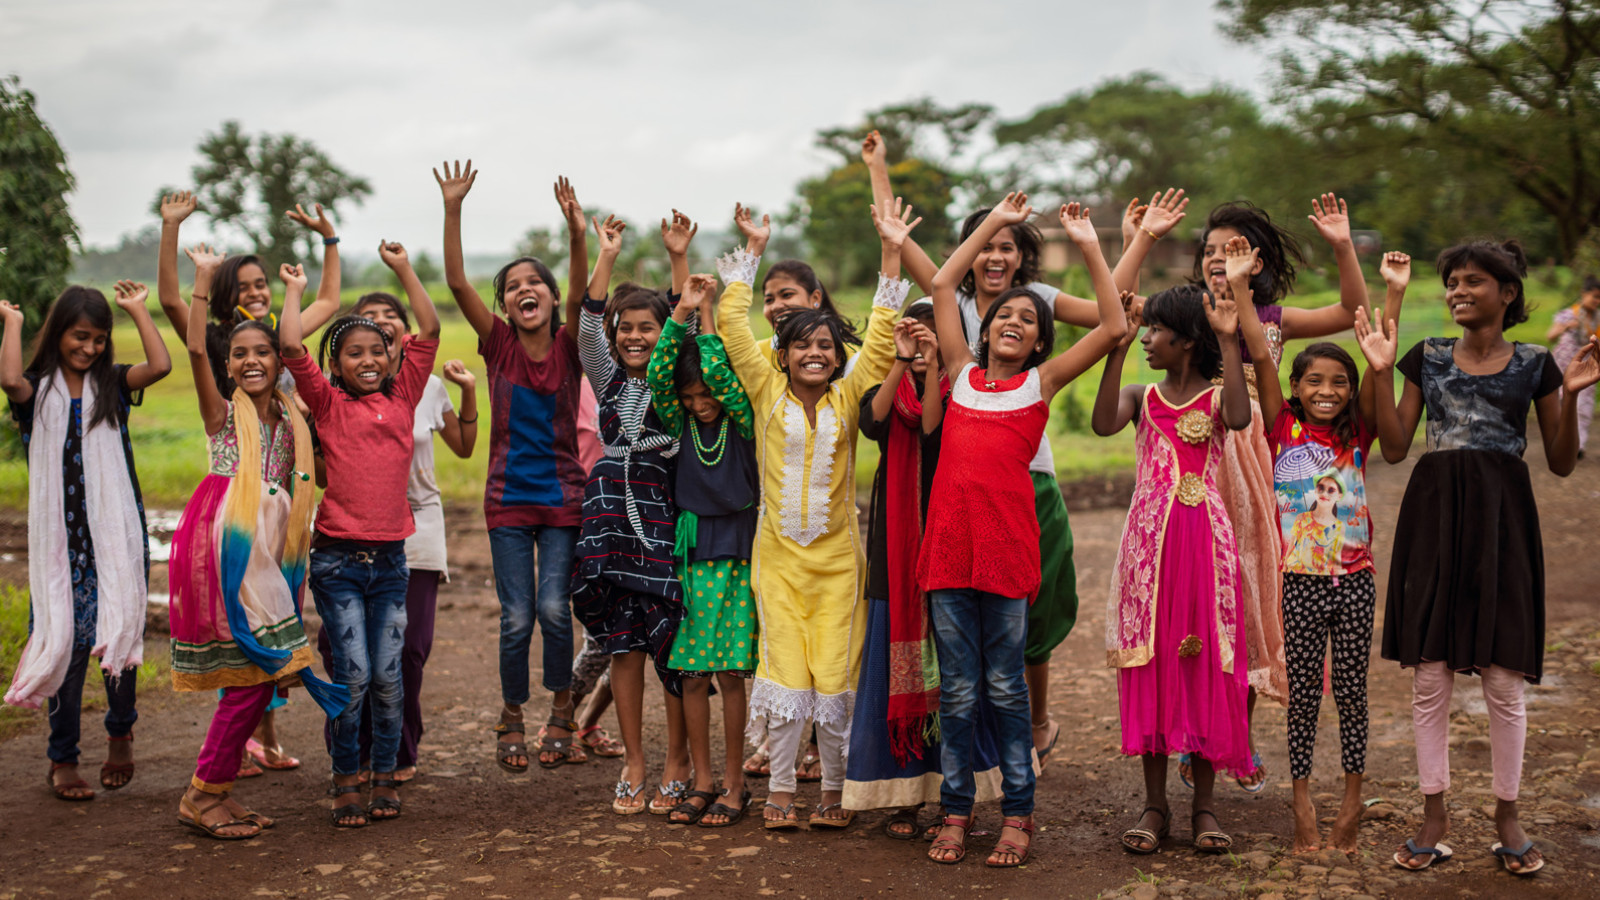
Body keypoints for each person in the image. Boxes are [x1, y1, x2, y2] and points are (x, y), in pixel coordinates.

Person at [862, 131, 1184, 764]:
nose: (995, 255)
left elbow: (1109, 317)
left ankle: (1028, 733)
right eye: (986, 244)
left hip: (1022, 475)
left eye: (1007, 245)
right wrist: (880, 169)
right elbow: (911, 251)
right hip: (951, 482)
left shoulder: (1037, 319)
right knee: (958, 630)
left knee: (1024, 615)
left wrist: (1126, 242)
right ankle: (967, 760)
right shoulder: (956, 330)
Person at [920, 196, 1129, 868]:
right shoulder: (961, 376)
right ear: (984, 332)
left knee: (1007, 689)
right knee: (957, 691)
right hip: (948, 556)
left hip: (1007, 557)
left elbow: (1114, 323)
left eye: (1028, 319)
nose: (1013, 320)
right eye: (1004, 315)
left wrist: (1088, 242)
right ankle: (956, 811)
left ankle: (1017, 813)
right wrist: (990, 224)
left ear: (1041, 343)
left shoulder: (1040, 385)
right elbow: (943, 284)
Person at [1380, 240, 1596, 876]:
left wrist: (1572, 395)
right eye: (1452, 281)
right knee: (1430, 675)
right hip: (1435, 519)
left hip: (1504, 522)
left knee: (1504, 678)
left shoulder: (1536, 365)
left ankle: (1508, 815)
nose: (1458, 290)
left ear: (1507, 293)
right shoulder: (1427, 357)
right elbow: (1394, 446)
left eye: (1472, 280)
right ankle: (1434, 815)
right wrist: (1378, 371)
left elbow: (1561, 462)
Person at [717, 197, 910, 832]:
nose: (815, 354)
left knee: (833, 675)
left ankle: (832, 790)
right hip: (776, 562)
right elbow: (732, 326)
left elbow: (880, 336)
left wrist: (891, 250)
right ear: (784, 353)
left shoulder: (850, 395)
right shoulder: (764, 387)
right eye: (802, 345)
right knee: (783, 672)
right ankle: (779, 790)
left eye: (826, 345)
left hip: (837, 566)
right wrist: (753, 249)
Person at [1181, 195, 1371, 791]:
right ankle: (1195, 734)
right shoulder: (1188, 313)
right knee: (1199, 602)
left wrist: (1342, 244)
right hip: (1197, 459)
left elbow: (1351, 310)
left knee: (1252, 596)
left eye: (1232, 249)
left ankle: (1236, 735)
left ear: (1257, 261)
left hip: (1260, 469)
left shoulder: (1272, 319)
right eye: (1210, 250)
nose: (1218, 258)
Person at [1233, 236, 1411, 853]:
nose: (1327, 390)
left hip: (1356, 582)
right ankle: (1302, 799)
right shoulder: (1281, 425)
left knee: (1354, 695)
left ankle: (1353, 801)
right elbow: (1259, 352)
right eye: (1314, 381)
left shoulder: (1359, 432)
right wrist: (1239, 287)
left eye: (1339, 382)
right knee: (1303, 696)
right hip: (1298, 585)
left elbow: (1380, 358)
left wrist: (1393, 298)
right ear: (1296, 386)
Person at [165, 249, 345, 839]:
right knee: (251, 675)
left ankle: (215, 790)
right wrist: (200, 280)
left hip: (274, 553)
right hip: (233, 548)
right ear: (228, 364)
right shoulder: (222, 414)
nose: (250, 361)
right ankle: (202, 795)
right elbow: (195, 349)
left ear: (279, 360)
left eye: (261, 352)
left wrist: (294, 291)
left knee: (262, 676)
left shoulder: (291, 418)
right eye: (239, 354)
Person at [437, 162, 590, 772]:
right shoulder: (498, 344)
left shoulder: (570, 343)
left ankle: (562, 706)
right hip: (507, 500)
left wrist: (575, 232)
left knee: (554, 609)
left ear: (550, 297)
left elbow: (580, 292)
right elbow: (456, 282)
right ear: (504, 303)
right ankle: (512, 712)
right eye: (512, 286)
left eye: (535, 283)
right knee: (517, 617)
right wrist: (453, 207)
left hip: (563, 500)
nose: (524, 290)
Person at [281, 240, 440, 827]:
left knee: (389, 679)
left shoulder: (404, 395)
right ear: (336, 364)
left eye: (378, 350)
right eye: (354, 353)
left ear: (393, 357)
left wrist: (403, 267)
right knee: (353, 677)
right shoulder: (326, 404)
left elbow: (428, 327)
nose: (368, 360)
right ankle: (345, 777)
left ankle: (383, 777)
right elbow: (290, 346)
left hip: (391, 564)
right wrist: (295, 292)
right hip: (338, 564)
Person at [1093, 281, 1253, 856]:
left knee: (1206, 660)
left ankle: (1204, 807)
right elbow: (1102, 423)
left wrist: (1230, 340)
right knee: (1154, 660)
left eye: (1156, 330)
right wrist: (1116, 348)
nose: (1147, 339)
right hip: (1149, 550)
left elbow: (1240, 417)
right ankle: (1155, 805)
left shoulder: (1216, 400)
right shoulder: (1140, 396)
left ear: (1187, 341)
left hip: (1205, 545)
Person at [2, 283, 170, 800]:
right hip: (61, 549)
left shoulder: (112, 385)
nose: (90, 348)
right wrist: (12, 322)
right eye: (80, 336)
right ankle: (63, 756)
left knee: (120, 633)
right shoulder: (36, 393)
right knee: (66, 646)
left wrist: (138, 311)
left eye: (99, 339)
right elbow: (8, 379)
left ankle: (120, 733)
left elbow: (160, 366)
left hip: (114, 541)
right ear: (58, 333)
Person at [311, 291, 479, 783]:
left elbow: (465, 446)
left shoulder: (420, 389)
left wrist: (469, 391)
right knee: (346, 657)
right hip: (348, 533)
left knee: (403, 656)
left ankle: (397, 754)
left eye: (389, 322)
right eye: (368, 321)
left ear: (400, 339)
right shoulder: (335, 400)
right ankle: (351, 757)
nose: (380, 327)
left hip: (414, 529)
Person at [574, 211, 697, 814]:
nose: (634, 337)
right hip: (609, 524)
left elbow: (686, 321)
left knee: (670, 642)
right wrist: (606, 255)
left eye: (648, 328)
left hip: (662, 517)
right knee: (623, 646)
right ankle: (634, 760)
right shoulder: (606, 381)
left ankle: (677, 759)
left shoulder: (673, 377)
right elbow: (586, 329)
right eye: (626, 328)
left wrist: (678, 257)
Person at [647, 272, 759, 827]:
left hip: (736, 553)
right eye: (689, 397)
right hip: (691, 555)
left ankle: (736, 785)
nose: (699, 402)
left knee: (732, 674)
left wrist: (706, 312)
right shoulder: (680, 421)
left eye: (705, 393)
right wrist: (679, 316)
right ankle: (704, 781)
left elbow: (716, 372)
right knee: (692, 675)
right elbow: (658, 373)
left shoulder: (743, 419)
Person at [1547, 274, 1600, 455]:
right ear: (1583, 293)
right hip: (1563, 365)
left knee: (1583, 405)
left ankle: (1578, 445)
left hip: (1587, 366)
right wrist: (1566, 326)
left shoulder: (1598, 319)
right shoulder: (1569, 314)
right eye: (1594, 296)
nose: (1597, 301)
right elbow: (1550, 336)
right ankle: (1560, 441)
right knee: (1561, 402)